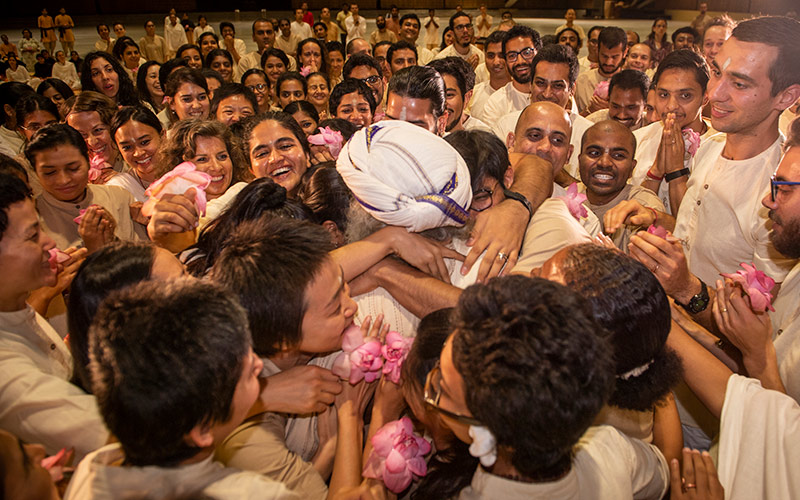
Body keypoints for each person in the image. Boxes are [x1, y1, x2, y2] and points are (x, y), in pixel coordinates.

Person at [629, 15, 800, 450]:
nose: (714, 94)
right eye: (718, 72)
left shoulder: (782, 198)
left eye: (740, 84)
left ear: (787, 96)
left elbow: (760, 340)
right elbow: (696, 237)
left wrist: (685, 287)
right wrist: (656, 225)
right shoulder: (710, 146)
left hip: (716, 410)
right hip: (664, 369)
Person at [63, 279, 299, 499]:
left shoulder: (95, 466)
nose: (258, 365)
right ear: (203, 430)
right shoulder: (256, 494)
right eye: (247, 374)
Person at [439, 276, 668, 499]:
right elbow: (663, 472)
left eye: (442, 388)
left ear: (485, 432)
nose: (432, 388)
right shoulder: (611, 449)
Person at [210, 217, 375, 498]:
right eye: (335, 308)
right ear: (282, 340)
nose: (352, 305)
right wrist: (348, 422)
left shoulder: (303, 312)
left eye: (345, 287)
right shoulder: (246, 436)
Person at [0, 171, 109, 462]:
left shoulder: (17, 310)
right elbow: (111, 436)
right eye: (32, 235)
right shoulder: (7, 376)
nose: (49, 242)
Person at [27, 123, 142, 252]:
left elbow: (150, 258)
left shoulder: (119, 197)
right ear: (35, 172)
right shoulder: (30, 218)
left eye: (73, 168)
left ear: (88, 161)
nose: (64, 180)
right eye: (50, 172)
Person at [630, 49, 713, 215]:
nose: (671, 106)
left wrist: (676, 171)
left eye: (685, 95)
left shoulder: (719, 148)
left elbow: (694, 225)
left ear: (705, 97)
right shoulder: (639, 140)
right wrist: (655, 172)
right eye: (663, 94)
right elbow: (632, 212)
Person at [578, 120, 665, 250]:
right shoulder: (566, 197)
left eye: (618, 156)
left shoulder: (643, 207)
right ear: (579, 161)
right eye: (594, 153)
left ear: (632, 167)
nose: (604, 163)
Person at [476, 25, 541, 125]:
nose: (520, 61)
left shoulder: (554, 94)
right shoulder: (496, 103)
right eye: (512, 56)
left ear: (539, 53)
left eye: (527, 53)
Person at [64, 91, 126, 181]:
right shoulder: (72, 176)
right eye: (82, 135)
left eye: (98, 130)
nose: (92, 142)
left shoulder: (138, 160)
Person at [108, 106, 164, 201]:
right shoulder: (119, 188)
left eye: (144, 142)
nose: (138, 153)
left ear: (163, 136)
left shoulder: (187, 171)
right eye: (127, 147)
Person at [427, 57, 490, 134]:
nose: (442, 103)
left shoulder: (481, 137)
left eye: (449, 95)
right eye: (434, 95)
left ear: (466, 98)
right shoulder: (416, 134)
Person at [576, 26, 628, 115]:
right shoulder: (581, 82)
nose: (608, 62)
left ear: (625, 53)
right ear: (597, 50)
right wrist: (589, 110)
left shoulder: (631, 83)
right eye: (604, 56)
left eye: (614, 57)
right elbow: (571, 123)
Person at [468, 31, 510, 120]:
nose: (496, 62)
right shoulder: (474, 94)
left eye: (501, 56)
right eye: (491, 56)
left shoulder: (521, 95)